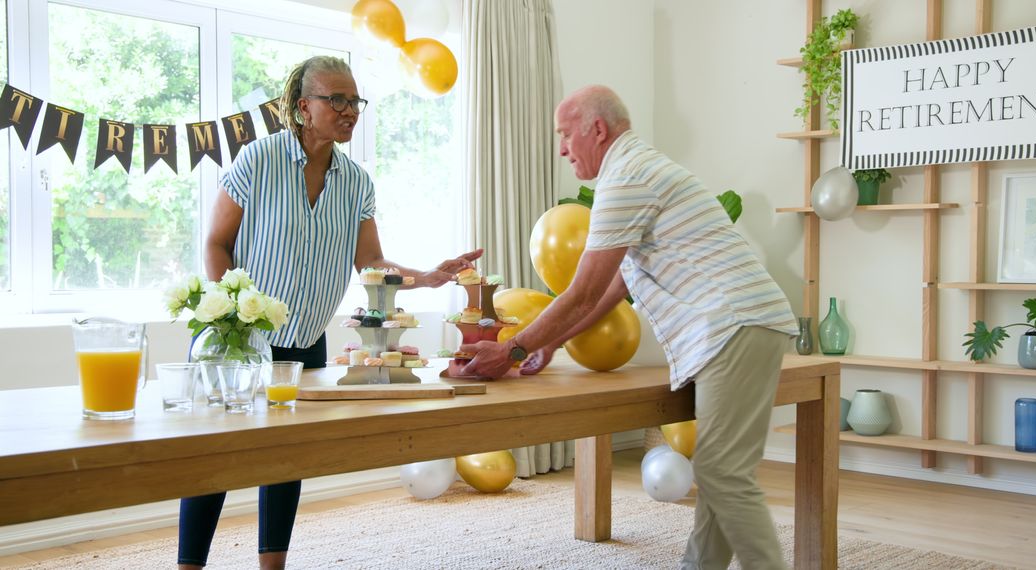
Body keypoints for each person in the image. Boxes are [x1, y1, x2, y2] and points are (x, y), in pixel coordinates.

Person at [463, 85, 797, 570]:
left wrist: (510, 350)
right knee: (723, 472)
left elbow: (581, 291)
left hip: (733, 325)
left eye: (564, 135)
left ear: (596, 130)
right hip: (745, 322)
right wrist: (552, 342)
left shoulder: (625, 178)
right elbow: (616, 285)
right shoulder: (641, 169)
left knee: (725, 474)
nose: (561, 149)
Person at [182, 55, 482, 570]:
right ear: (303, 107)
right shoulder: (258, 159)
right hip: (236, 341)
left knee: (286, 460)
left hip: (304, 342)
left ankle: (272, 566)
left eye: (355, 101)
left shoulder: (356, 182)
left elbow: (370, 263)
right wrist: (229, 316)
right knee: (215, 461)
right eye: (336, 100)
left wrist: (429, 277)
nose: (350, 111)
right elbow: (216, 242)